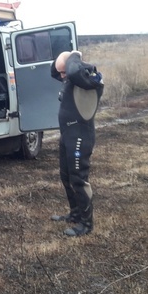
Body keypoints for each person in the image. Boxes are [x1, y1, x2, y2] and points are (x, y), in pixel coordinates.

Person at [50, 50, 104, 237]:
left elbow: (72, 71)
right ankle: (75, 214)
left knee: (78, 180)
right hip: (68, 135)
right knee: (66, 177)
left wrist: (73, 54)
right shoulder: (73, 78)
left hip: (80, 136)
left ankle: (86, 224)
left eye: (64, 72)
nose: (62, 77)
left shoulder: (89, 80)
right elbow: (54, 72)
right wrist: (63, 58)